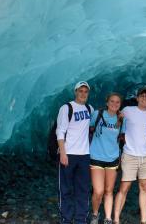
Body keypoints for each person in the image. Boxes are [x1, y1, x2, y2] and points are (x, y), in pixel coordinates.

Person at [113, 87, 146, 224]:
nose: (144, 98)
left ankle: (144, 220)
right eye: (142, 96)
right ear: (137, 98)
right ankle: (115, 220)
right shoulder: (128, 110)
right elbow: (116, 120)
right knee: (124, 187)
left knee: (144, 187)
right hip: (129, 154)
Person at [56, 81, 94, 224]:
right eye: (80, 91)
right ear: (75, 92)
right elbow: (60, 131)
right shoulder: (67, 108)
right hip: (69, 154)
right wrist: (63, 153)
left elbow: (94, 127)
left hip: (84, 155)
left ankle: (80, 219)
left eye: (86, 91)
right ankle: (66, 219)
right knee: (65, 189)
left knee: (83, 189)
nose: (83, 94)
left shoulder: (89, 108)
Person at [89, 93, 125, 224]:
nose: (114, 104)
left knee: (109, 190)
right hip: (96, 157)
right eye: (112, 101)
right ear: (107, 102)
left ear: (120, 104)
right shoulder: (97, 114)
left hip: (113, 159)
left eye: (117, 102)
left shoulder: (121, 119)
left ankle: (108, 218)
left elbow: (122, 137)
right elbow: (87, 128)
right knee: (98, 191)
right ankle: (95, 214)